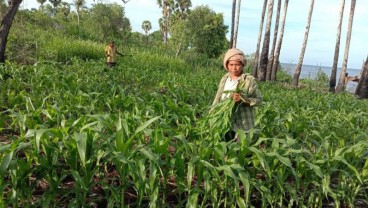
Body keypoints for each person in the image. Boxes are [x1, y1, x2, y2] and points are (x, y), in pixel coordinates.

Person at [212, 48, 262, 142]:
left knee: (239, 151)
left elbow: (259, 100)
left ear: (242, 65)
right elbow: (218, 97)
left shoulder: (249, 80)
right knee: (225, 147)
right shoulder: (225, 78)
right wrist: (212, 112)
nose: (234, 68)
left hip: (243, 123)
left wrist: (243, 100)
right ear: (227, 65)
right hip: (225, 121)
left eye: (237, 65)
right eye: (231, 65)